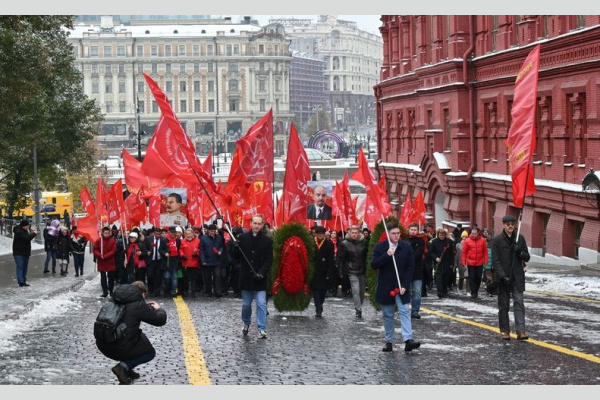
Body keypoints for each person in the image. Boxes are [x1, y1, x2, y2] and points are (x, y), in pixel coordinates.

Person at [96, 281, 167, 385]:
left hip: (103, 344)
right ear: (142, 293)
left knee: (138, 335)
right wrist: (158, 309)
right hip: (119, 347)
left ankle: (127, 370)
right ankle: (123, 367)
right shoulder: (138, 305)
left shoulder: (114, 299)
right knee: (150, 353)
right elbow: (160, 320)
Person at [371, 222, 420, 352]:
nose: (396, 236)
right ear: (388, 234)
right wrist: (387, 255)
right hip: (386, 286)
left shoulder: (406, 247)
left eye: (398, 233)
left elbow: (410, 267)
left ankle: (408, 340)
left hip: (401, 286)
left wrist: (405, 284)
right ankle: (389, 341)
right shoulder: (380, 247)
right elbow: (374, 265)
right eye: (393, 233)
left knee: (405, 311)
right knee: (388, 315)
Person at [233, 214, 273, 339]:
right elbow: (236, 258)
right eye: (254, 223)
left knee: (261, 304)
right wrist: (235, 248)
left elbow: (268, 260)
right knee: (246, 304)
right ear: (250, 224)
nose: (256, 226)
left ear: (262, 225)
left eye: (259, 223)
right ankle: (246, 323)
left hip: (260, 278)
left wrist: (262, 272)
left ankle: (262, 328)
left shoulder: (267, 241)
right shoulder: (243, 238)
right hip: (247, 278)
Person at [492, 214, 531, 341]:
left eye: (512, 224)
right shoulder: (497, 240)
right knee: (504, 305)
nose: (510, 226)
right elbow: (495, 260)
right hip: (503, 278)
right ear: (503, 225)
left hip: (517, 277)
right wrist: (502, 275)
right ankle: (505, 331)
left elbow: (527, 257)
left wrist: (519, 251)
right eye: (508, 224)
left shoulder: (520, 238)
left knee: (519, 303)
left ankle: (521, 331)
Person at [336, 224, 368, 318]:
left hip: (362, 270)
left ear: (359, 233)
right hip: (351, 270)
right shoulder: (345, 244)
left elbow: (367, 256)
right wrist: (341, 272)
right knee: (355, 290)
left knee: (362, 292)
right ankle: (358, 310)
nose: (354, 234)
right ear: (350, 233)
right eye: (352, 233)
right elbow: (340, 259)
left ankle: (359, 305)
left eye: (356, 233)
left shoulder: (364, 242)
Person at [311, 225, 336, 317]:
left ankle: (320, 304)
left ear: (324, 234)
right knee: (315, 290)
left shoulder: (329, 244)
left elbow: (331, 260)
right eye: (318, 233)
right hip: (314, 270)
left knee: (323, 291)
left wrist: (329, 273)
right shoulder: (312, 243)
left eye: (322, 233)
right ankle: (318, 308)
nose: (320, 235)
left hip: (324, 271)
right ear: (316, 234)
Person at [461, 226, 488, 299]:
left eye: (475, 234)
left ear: (478, 233)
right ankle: (473, 292)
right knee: (472, 278)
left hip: (479, 262)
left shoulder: (482, 240)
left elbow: (485, 252)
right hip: (471, 263)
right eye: (472, 233)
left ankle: (476, 290)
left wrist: (485, 261)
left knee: (478, 278)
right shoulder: (467, 241)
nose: (474, 235)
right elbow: (464, 253)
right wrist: (463, 262)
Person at [407, 222, 427, 319]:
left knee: (417, 292)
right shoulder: (405, 240)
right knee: (406, 292)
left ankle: (415, 311)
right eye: (412, 230)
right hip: (406, 271)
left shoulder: (420, 241)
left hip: (417, 270)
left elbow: (418, 253)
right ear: (409, 229)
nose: (413, 231)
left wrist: (408, 257)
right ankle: (405, 310)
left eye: (415, 230)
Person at [200, 224, 224, 298]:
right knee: (208, 277)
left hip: (217, 260)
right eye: (211, 231)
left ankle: (218, 291)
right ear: (208, 231)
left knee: (217, 276)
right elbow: (202, 250)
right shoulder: (204, 238)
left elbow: (222, 246)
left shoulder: (219, 238)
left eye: (214, 231)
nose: (212, 233)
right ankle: (209, 291)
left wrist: (220, 251)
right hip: (207, 260)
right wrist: (203, 260)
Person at [430, 227, 455, 298]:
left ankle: (445, 290)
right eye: (440, 235)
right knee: (439, 277)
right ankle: (440, 291)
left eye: (443, 235)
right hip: (438, 263)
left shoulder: (448, 241)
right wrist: (436, 258)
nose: (441, 236)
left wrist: (451, 264)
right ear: (438, 235)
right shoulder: (434, 242)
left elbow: (451, 254)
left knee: (445, 277)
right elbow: (431, 252)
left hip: (446, 262)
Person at [12, 219, 38, 287]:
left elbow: (27, 238)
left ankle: (23, 280)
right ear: (23, 226)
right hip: (18, 252)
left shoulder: (25, 231)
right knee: (20, 266)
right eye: (27, 225)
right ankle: (20, 281)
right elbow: (26, 238)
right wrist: (34, 233)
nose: (28, 226)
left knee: (24, 267)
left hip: (25, 252)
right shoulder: (19, 232)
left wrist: (31, 233)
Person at [94, 226, 118, 297]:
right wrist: (99, 255)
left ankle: (111, 290)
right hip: (102, 261)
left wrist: (105, 256)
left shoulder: (112, 240)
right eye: (105, 233)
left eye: (108, 233)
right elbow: (95, 249)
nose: (106, 234)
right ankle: (105, 291)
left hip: (110, 261)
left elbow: (113, 250)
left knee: (111, 277)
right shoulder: (99, 240)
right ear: (103, 233)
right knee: (103, 277)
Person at [159, 226, 181, 297]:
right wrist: (164, 253)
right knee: (167, 278)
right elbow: (160, 250)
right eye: (172, 232)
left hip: (175, 261)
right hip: (167, 262)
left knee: (175, 277)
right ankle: (166, 290)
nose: (173, 234)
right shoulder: (164, 240)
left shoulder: (178, 241)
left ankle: (173, 292)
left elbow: (179, 250)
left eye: (174, 232)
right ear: (169, 232)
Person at [180, 228, 201, 298]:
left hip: (194, 263)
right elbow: (180, 249)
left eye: (189, 234)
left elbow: (199, 249)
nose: (188, 235)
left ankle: (193, 292)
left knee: (193, 279)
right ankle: (186, 290)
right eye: (187, 234)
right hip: (185, 263)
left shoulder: (198, 241)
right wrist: (182, 255)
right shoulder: (183, 241)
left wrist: (197, 253)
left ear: (193, 234)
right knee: (185, 278)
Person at [144, 227, 163, 296]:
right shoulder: (148, 239)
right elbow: (144, 247)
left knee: (158, 276)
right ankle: (150, 289)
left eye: (159, 234)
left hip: (159, 260)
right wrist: (147, 252)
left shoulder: (163, 240)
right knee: (150, 275)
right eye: (156, 234)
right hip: (151, 260)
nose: (157, 235)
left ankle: (157, 290)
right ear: (154, 233)